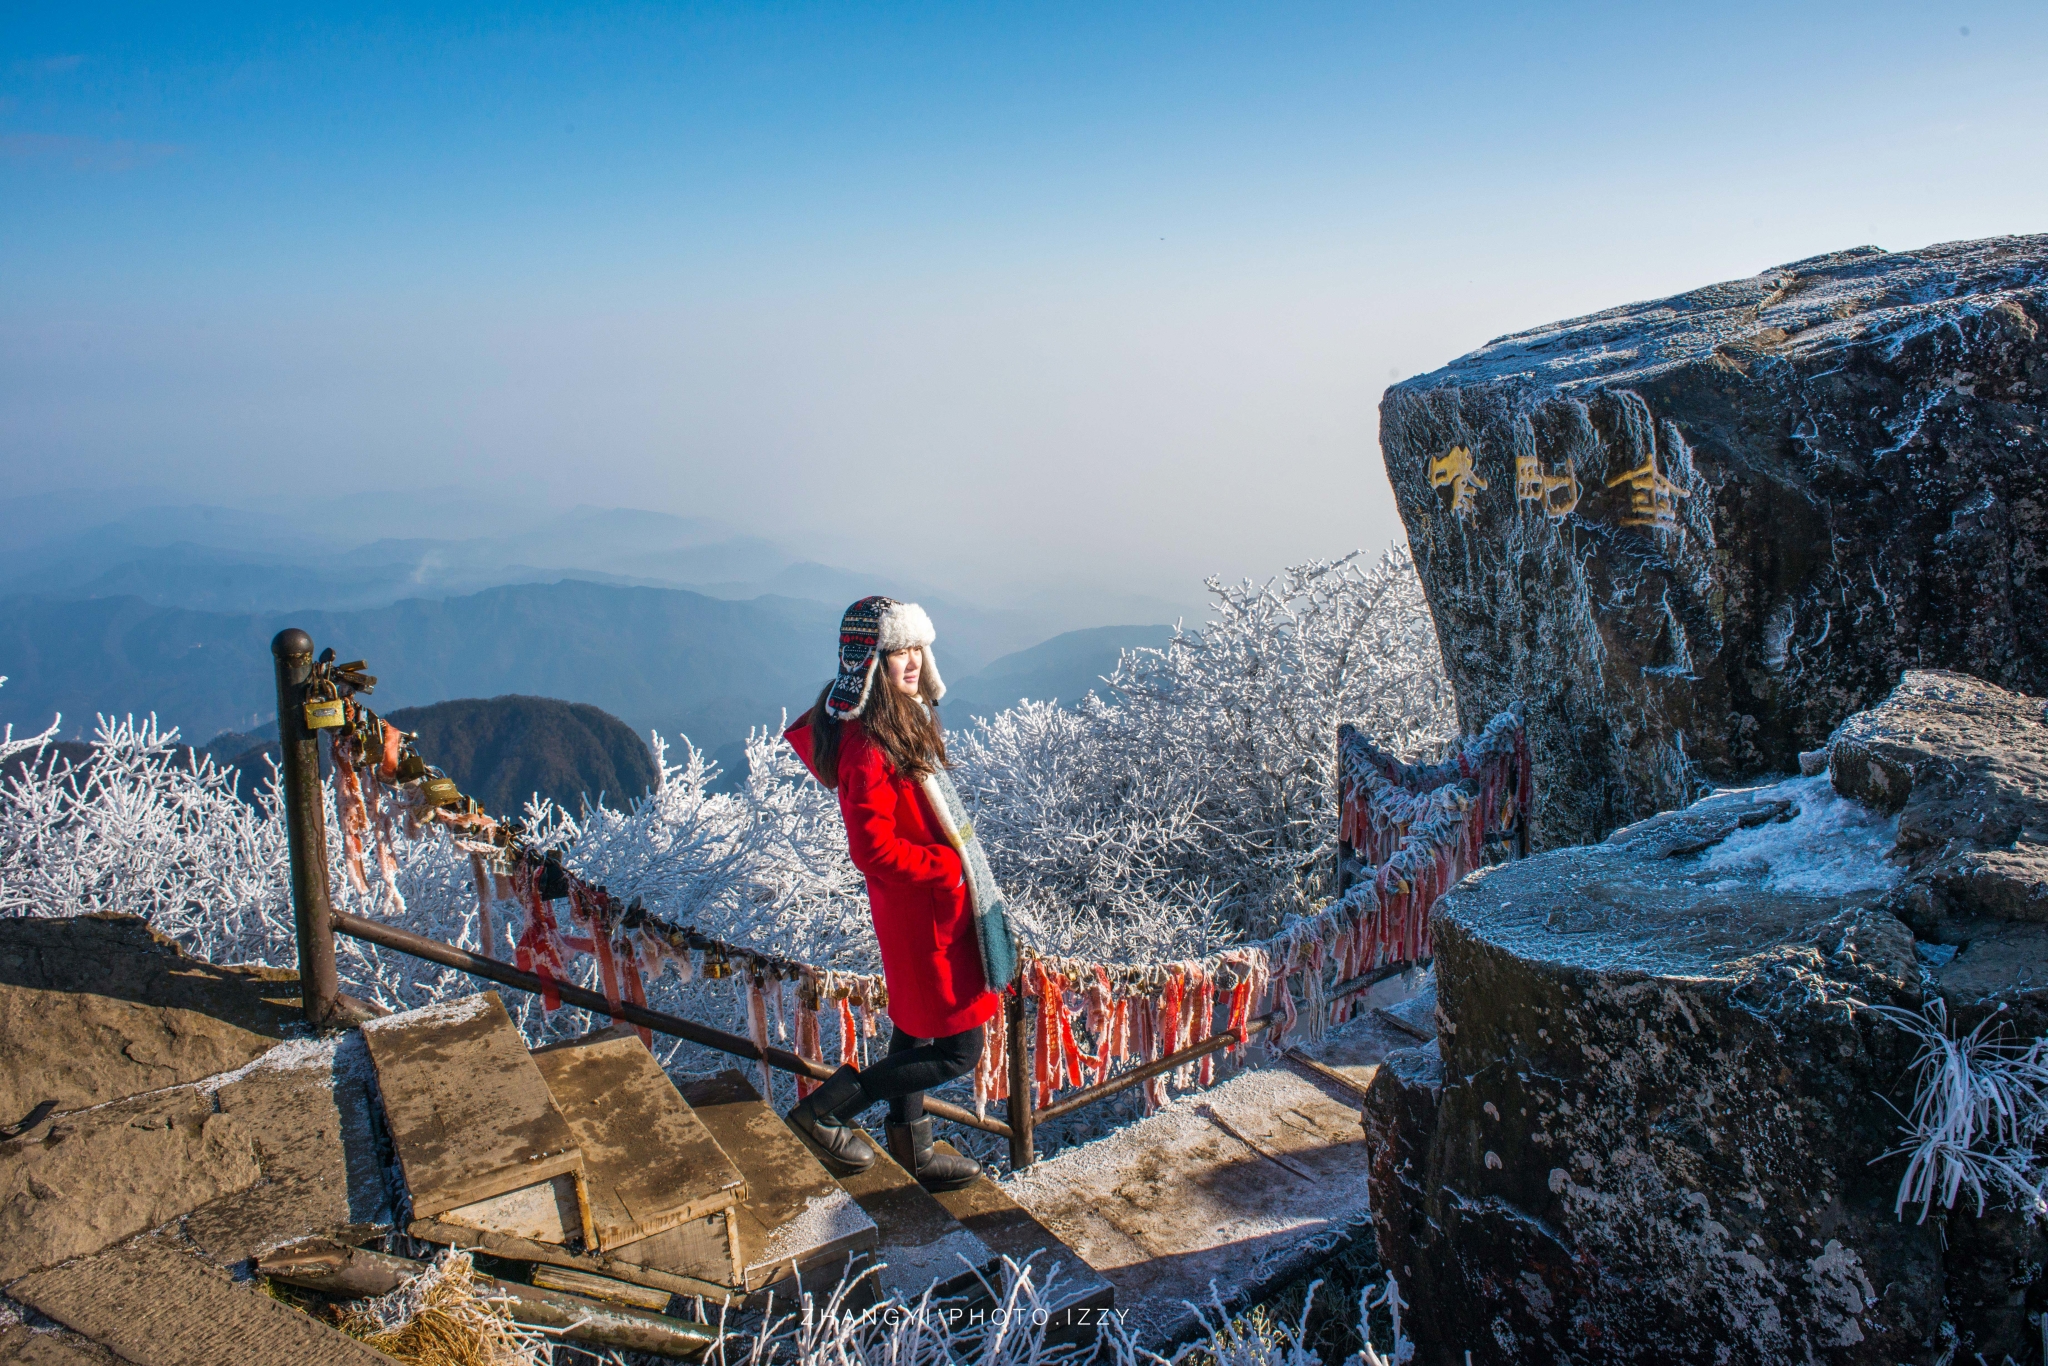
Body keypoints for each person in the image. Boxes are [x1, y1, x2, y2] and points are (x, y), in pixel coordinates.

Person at [781, 596, 998, 1192]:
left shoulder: (899, 720)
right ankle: (822, 1113)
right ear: (870, 661)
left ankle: (912, 1146)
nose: (912, 661)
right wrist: (947, 867)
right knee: (958, 1050)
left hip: (928, 911)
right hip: (925, 912)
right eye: (897, 650)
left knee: (915, 1028)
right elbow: (872, 850)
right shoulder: (868, 746)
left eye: (916, 648)